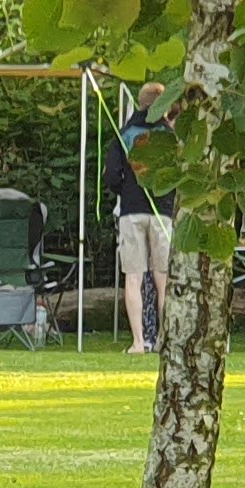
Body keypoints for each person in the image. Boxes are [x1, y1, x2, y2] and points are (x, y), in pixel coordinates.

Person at [111, 84, 175, 353]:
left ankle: (138, 341)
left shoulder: (124, 133)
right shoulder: (169, 136)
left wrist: (125, 191)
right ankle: (164, 340)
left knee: (134, 277)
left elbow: (112, 176)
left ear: (140, 103)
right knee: (163, 277)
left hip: (131, 210)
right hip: (162, 210)